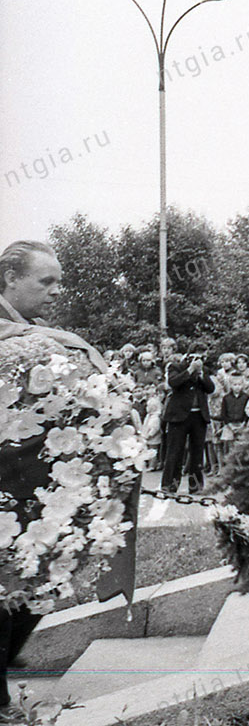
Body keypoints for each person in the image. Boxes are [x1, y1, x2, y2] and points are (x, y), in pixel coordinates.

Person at [0, 241, 125, 709]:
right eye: (45, 281)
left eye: (58, 281)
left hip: (27, 477)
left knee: (37, 570)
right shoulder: (19, 334)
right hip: (7, 477)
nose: (56, 291)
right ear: (11, 278)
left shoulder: (31, 331)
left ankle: (9, 652)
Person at [160, 353, 214, 494]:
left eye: (199, 357)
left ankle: (195, 486)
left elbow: (210, 388)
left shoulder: (204, 370)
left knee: (197, 453)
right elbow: (173, 382)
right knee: (174, 451)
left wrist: (201, 373)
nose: (196, 360)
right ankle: (169, 485)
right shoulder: (175, 367)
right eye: (193, 357)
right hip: (178, 416)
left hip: (198, 416)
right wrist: (189, 370)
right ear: (187, 357)